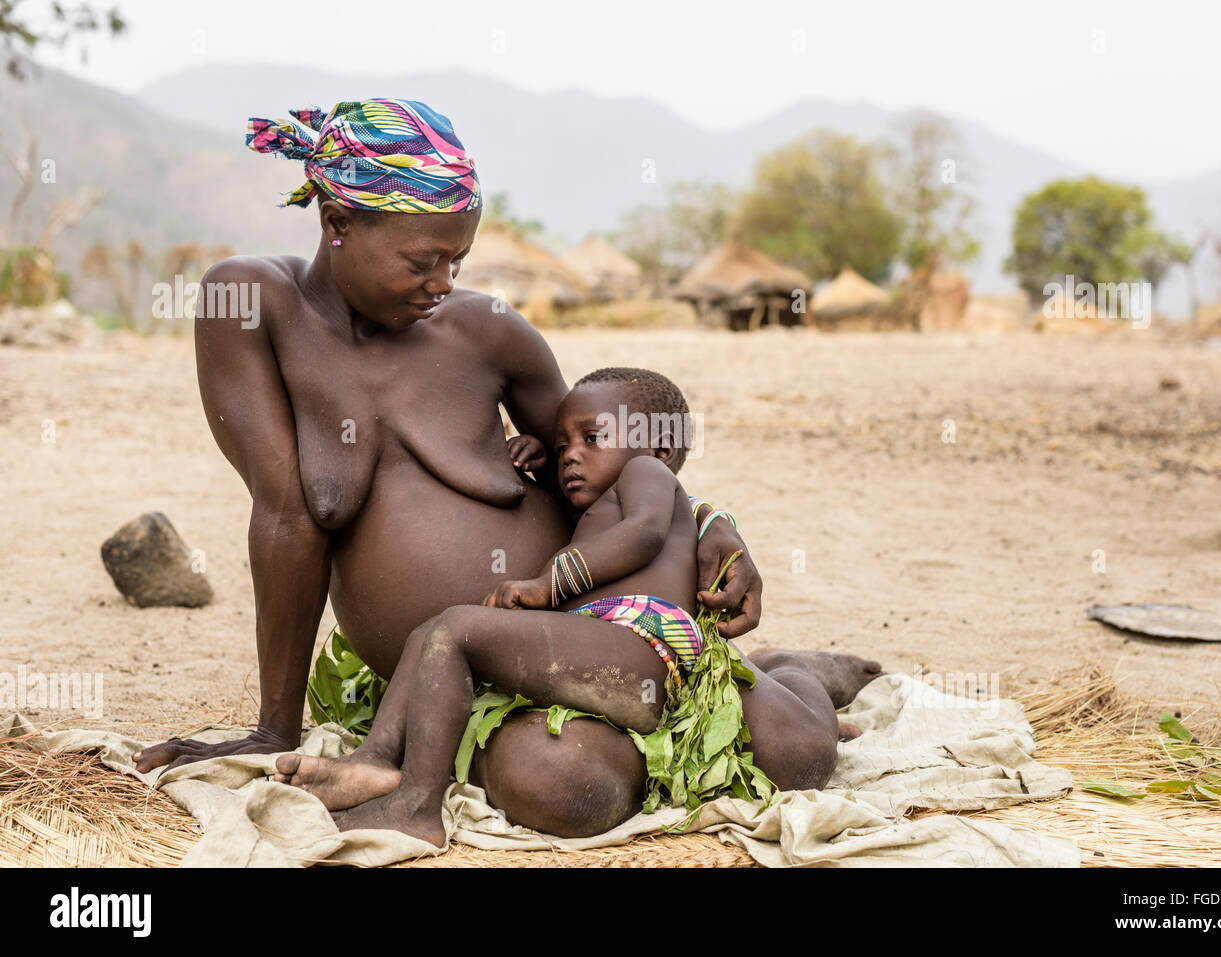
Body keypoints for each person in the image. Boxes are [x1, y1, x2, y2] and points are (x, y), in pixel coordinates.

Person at [127, 99, 846, 834]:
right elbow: (286, 515)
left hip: (583, 632)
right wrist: (274, 727)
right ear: (337, 224)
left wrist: (711, 522)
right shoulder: (249, 304)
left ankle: (801, 674)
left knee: (800, 753)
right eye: (421, 261)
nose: (443, 282)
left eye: (456, 261)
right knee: (565, 789)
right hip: (460, 683)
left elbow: (615, 461)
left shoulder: (488, 333)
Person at [272, 368, 876, 843]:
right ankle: (381, 761)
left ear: (660, 450)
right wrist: (533, 465)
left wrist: (548, 583)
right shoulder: (597, 504)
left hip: (641, 643)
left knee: (454, 630)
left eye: (591, 438)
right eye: (562, 443)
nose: (570, 455)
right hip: (613, 659)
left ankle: (411, 802)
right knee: (439, 632)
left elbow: (638, 535)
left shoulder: (645, 477)